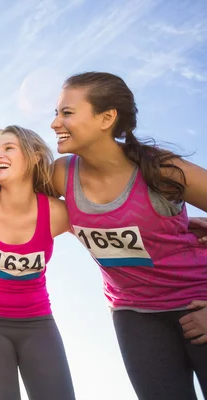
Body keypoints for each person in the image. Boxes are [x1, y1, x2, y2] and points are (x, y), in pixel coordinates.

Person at [51, 71, 207, 399]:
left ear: (106, 117)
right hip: (135, 314)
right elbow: (10, 203)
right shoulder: (61, 173)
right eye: (56, 113)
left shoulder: (162, 168)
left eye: (67, 112)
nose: (55, 123)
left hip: (198, 301)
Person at [0, 125, 76, 400]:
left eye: (8, 148)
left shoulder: (57, 213)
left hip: (39, 323)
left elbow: (102, 233)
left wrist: (179, 227)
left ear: (34, 156)